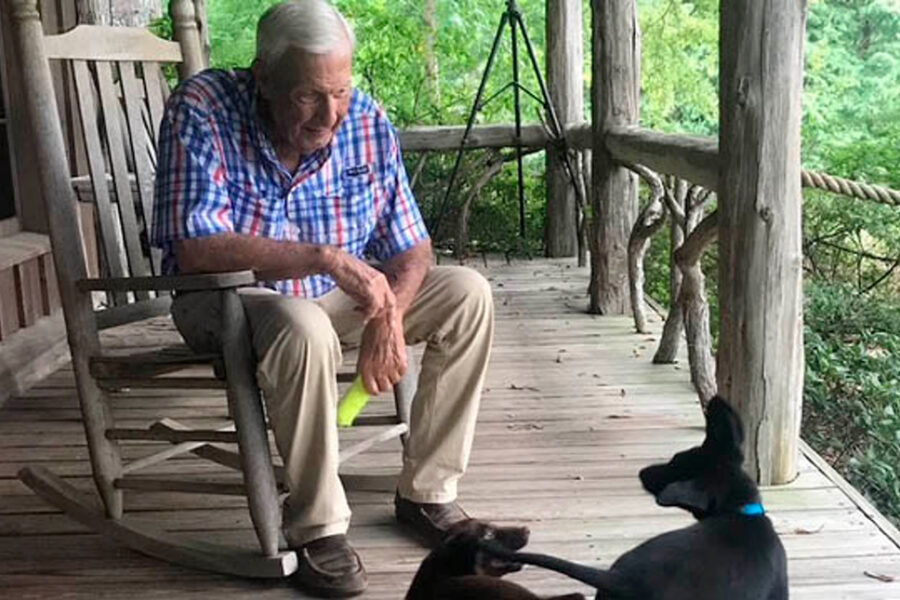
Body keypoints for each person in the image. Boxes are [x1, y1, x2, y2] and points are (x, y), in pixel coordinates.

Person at [151, 0, 494, 596]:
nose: (329, 113)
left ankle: (427, 494)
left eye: (339, 90)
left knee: (468, 293)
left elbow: (413, 248)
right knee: (303, 323)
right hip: (231, 300)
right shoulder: (202, 108)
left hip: (335, 302)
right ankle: (318, 527)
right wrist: (327, 259)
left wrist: (389, 311)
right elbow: (197, 246)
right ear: (262, 77)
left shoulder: (362, 117)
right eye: (308, 96)